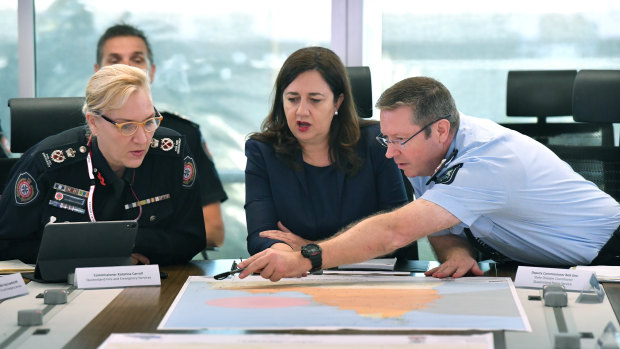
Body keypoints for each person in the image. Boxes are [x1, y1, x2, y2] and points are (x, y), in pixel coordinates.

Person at [238, 76, 620, 281]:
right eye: (387, 139)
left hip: (610, 262)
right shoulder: (427, 154)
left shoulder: (488, 159)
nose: (389, 152)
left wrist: (308, 259)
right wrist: (455, 251)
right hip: (538, 270)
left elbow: (397, 232)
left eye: (399, 140)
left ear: (439, 130)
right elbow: (437, 218)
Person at [0, 64, 206, 265]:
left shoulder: (172, 153)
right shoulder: (45, 163)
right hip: (63, 287)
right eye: (127, 126)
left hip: (150, 284)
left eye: (149, 121)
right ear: (93, 123)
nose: (143, 139)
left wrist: (125, 246)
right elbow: (7, 245)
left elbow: (191, 239)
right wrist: (102, 258)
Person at [244, 46, 409, 255]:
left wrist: (312, 250)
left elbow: (399, 235)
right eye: (292, 99)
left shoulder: (376, 143)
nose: (301, 111)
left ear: (337, 102)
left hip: (370, 278)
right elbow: (261, 237)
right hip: (296, 279)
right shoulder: (263, 151)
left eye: (315, 100)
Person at [95, 24, 227, 248]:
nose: (127, 68)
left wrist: (133, 246)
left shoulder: (181, 136)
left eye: (137, 60)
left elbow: (213, 230)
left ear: (152, 72)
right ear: (98, 72)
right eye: (115, 60)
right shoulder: (75, 139)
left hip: (163, 268)